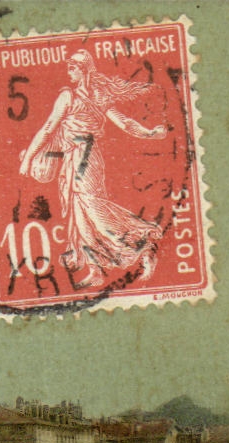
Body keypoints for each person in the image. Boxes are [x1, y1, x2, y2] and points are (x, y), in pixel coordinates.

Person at [18, 50, 167, 288]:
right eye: (69, 67)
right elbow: (48, 128)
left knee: (94, 209)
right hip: (74, 157)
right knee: (81, 215)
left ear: (85, 69)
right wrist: (31, 156)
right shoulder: (72, 96)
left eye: (73, 67)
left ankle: (143, 247)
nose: (69, 71)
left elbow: (123, 123)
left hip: (86, 158)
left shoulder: (92, 97)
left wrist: (149, 133)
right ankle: (95, 269)